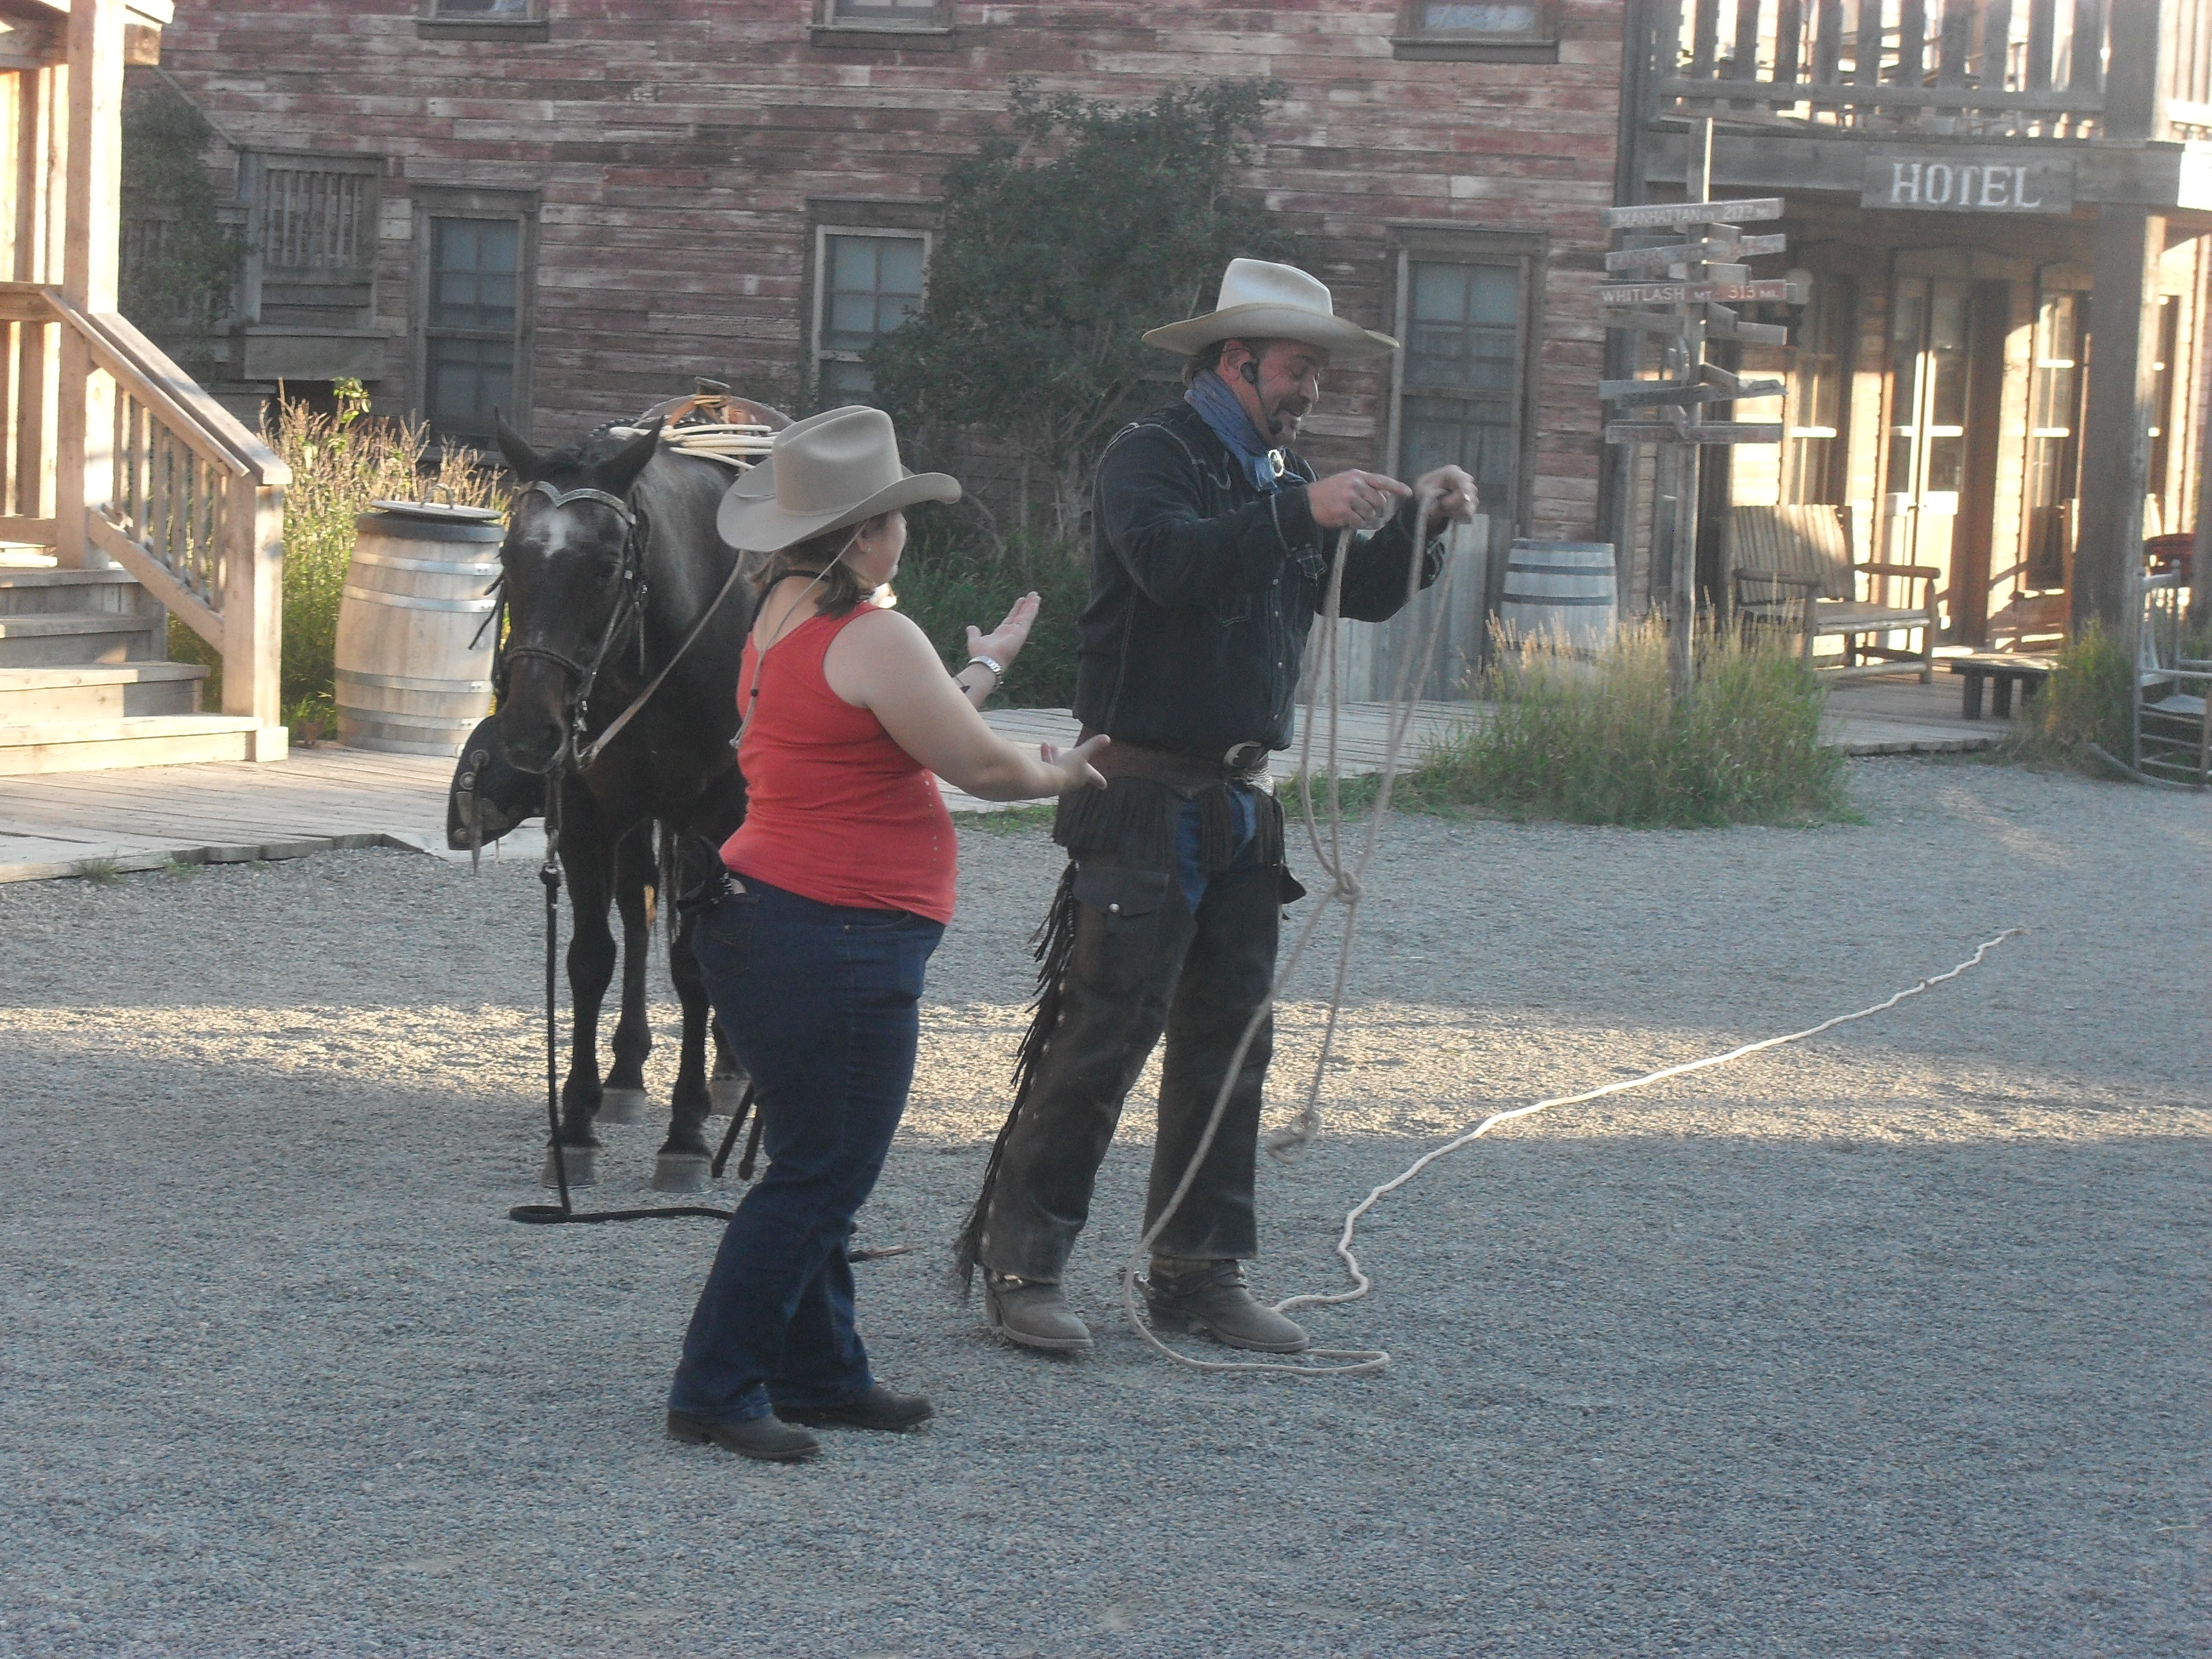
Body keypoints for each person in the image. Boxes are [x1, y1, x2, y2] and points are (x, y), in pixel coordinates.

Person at [957, 258, 1480, 1355]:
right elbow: (1167, 565)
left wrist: (1421, 525)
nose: (1311, 391)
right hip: (1143, 793)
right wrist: (1300, 509)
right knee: (1104, 1035)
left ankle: (1198, 1272)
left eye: (1318, 374)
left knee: (1232, 1045)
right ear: (1235, 361)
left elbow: (1358, 592)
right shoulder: (1149, 454)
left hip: (1239, 801)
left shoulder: (1278, 472)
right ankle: (1023, 1269)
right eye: (1298, 369)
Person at [666, 405, 1107, 1463]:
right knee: (823, 1175)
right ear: (867, 534)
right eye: (898, 516)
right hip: (835, 936)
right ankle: (714, 1389)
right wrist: (1065, 773)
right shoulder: (873, 633)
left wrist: (987, 668)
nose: (905, 532)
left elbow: (901, 722)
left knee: (811, 1154)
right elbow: (982, 766)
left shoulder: (780, 611)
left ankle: (821, 1372)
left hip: (764, 920)